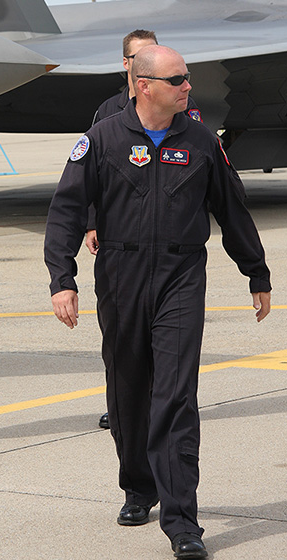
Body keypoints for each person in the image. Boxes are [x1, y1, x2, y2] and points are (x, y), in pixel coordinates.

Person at [44, 44, 271, 559]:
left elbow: (232, 210)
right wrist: (63, 279)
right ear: (144, 85)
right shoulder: (102, 139)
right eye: (176, 80)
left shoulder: (200, 141)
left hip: (181, 276)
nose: (187, 86)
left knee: (174, 395)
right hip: (120, 275)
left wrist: (256, 271)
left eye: (186, 77)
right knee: (127, 390)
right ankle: (138, 486)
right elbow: (65, 212)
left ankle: (182, 520)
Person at [88, 30, 201, 431]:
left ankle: (176, 490)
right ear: (134, 72)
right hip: (123, 263)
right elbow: (85, 184)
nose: (184, 86)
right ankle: (128, 420)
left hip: (178, 263)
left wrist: (255, 269)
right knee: (125, 363)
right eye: (138, 57)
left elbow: (227, 199)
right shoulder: (107, 119)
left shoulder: (192, 126)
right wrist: (91, 225)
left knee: (175, 382)